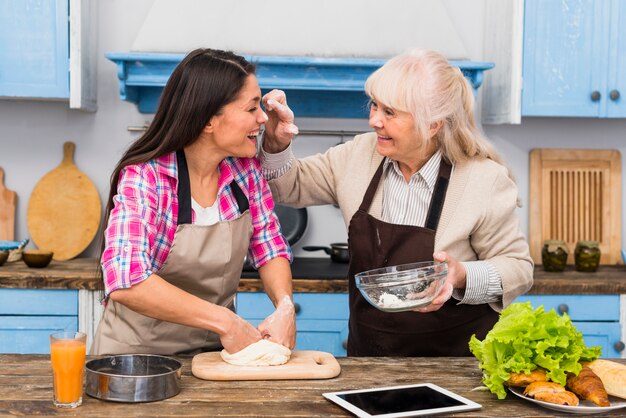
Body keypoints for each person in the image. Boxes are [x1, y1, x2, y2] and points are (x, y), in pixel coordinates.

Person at [259, 49, 533, 357]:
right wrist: (276, 143)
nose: (374, 120)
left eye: (390, 112)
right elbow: (286, 187)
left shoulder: (483, 179)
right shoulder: (359, 154)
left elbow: (518, 269)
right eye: (374, 105)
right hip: (370, 359)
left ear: (433, 124)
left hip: (455, 365)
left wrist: (460, 275)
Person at [91, 48, 296, 356]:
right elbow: (126, 280)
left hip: (210, 356)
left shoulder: (245, 171)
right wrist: (226, 322)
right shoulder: (147, 177)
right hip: (134, 359)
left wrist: (285, 306)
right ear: (208, 120)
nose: (262, 118)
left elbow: (269, 247)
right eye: (252, 108)